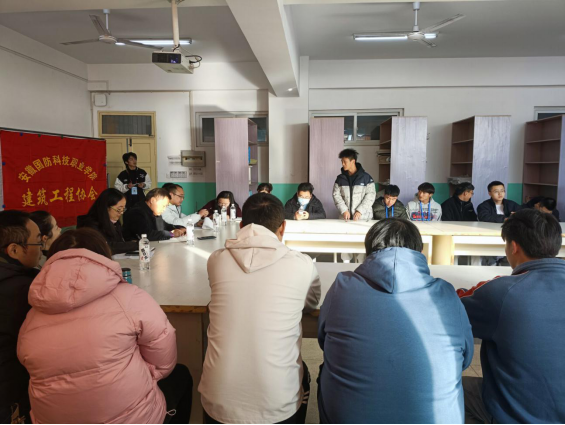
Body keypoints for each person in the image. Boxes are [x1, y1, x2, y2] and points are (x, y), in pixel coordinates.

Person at [17, 228, 193, 424]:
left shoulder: (32, 314)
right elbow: (163, 362)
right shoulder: (130, 297)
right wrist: (139, 375)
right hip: (132, 418)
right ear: (103, 256)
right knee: (181, 375)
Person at [318, 219, 474, 424]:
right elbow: (465, 359)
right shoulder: (446, 293)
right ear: (419, 251)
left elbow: (324, 341)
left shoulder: (341, 286)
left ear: (368, 250)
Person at [199, 194, 321, 424]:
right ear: (283, 227)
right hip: (278, 404)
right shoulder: (302, 263)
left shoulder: (216, 260)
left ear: (242, 225)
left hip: (218, 400)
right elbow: (311, 304)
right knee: (302, 370)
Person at [459, 209, 565, 424]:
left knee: (444, 390)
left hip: (517, 415)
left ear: (513, 246)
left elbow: (449, 308)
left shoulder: (502, 292)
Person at [0, 211, 43, 425]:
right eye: (38, 242)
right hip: (10, 392)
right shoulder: (24, 291)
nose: (42, 248)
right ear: (14, 250)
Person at [77, 188, 139, 255]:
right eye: (119, 209)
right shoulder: (91, 224)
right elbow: (106, 247)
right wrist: (135, 245)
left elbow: (119, 243)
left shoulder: (115, 222)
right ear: (106, 207)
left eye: (123, 209)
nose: (121, 213)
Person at [333, 149, 376, 222]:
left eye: (345, 162)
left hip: (363, 218)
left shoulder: (366, 178)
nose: (343, 164)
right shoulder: (340, 178)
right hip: (345, 218)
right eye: (342, 161)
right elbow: (336, 195)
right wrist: (344, 210)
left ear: (353, 161)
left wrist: (360, 211)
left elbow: (370, 196)